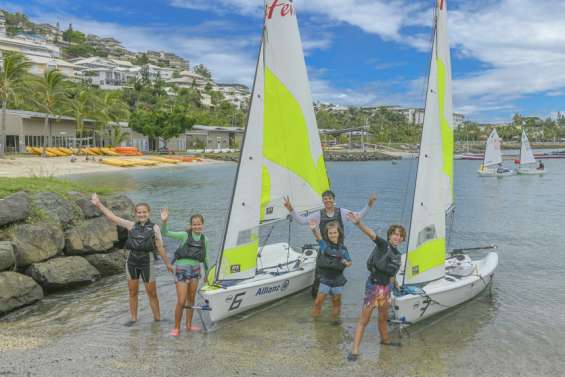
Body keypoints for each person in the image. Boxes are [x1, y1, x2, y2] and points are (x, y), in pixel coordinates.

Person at [91, 193, 173, 326]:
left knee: (152, 293)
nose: (142, 214)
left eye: (144, 212)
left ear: (149, 212)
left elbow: (160, 247)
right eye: (139, 212)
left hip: (147, 262)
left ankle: (158, 319)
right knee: (132, 291)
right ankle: (134, 319)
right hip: (132, 262)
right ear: (136, 214)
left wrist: (168, 264)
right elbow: (113, 217)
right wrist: (98, 204)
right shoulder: (130, 225)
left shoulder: (155, 228)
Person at [283, 190, 376, 296]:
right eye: (325, 199)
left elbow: (358, 216)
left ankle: (333, 302)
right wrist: (290, 209)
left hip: (338, 250)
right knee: (319, 277)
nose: (327, 200)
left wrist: (369, 205)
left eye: (329, 198)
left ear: (334, 200)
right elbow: (302, 221)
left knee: (336, 277)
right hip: (324, 249)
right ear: (323, 201)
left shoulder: (342, 212)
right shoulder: (318, 215)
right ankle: (316, 301)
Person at [346, 212, 405, 361]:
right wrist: (358, 223)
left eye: (400, 235)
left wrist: (394, 285)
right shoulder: (383, 245)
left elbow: (391, 273)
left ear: (402, 239)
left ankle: (385, 340)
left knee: (383, 317)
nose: (397, 237)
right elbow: (371, 234)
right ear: (389, 236)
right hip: (373, 287)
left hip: (385, 289)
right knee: (364, 320)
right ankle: (354, 350)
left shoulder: (398, 254)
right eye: (394, 234)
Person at [161, 208, 210, 336]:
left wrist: (207, 274)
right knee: (181, 300)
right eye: (194, 224)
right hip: (182, 269)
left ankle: (188, 325)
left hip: (196, 270)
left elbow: (205, 258)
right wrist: (165, 221)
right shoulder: (184, 235)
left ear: (203, 224)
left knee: (191, 299)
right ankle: (176, 327)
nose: (197, 226)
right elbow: (165, 233)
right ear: (191, 225)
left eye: (199, 224)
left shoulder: (205, 239)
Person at [308, 219, 352, 324]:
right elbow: (318, 237)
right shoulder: (324, 245)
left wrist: (346, 262)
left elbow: (350, 262)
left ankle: (334, 321)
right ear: (327, 235)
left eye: (335, 233)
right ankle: (314, 322)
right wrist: (314, 229)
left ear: (338, 233)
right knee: (318, 302)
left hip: (338, 279)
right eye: (330, 233)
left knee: (336, 301)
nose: (333, 235)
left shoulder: (343, 249)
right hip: (325, 279)